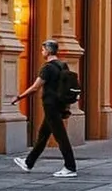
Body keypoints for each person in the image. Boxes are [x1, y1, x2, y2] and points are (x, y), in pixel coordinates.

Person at [12, 39, 77, 177]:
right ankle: (29, 162)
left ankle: (70, 167)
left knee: (61, 137)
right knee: (43, 135)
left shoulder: (47, 68)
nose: (42, 52)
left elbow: (35, 87)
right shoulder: (62, 65)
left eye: (43, 50)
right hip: (59, 104)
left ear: (48, 51)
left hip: (50, 105)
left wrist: (19, 97)